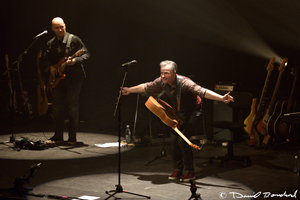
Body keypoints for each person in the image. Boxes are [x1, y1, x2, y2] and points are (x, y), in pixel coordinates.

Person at [122, 60, 233, 182]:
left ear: (174, 73)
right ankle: (178, 169)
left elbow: (202, 91)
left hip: (193, 112)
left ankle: (190, 171)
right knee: (174, 140)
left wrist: (221, 98)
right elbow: (146, 86)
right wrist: (130, 90)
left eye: (166, 73)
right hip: (178, 112)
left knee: (182, 140)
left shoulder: (185, 83)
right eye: (161, 73)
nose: (163, 76)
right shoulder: (161, 81)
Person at [43, 17, 91, 144]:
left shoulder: (73, 39)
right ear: (52, 29)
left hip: (74, 79)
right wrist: (51, 67)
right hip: (59, 79)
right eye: (57, 28)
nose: (60, 30)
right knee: (57, 108)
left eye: (62, 27)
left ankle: (72, 137)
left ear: (65, 25)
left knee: (72, 108)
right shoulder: (51, 43)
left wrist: (75, 60)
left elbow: (86, 54)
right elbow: (45, 58)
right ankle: (58, 135)